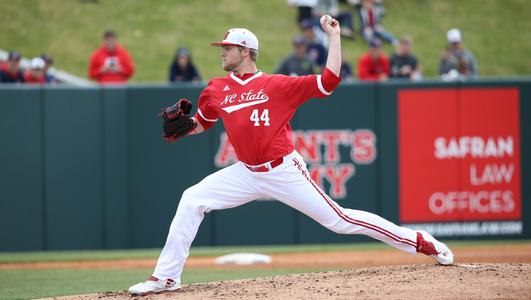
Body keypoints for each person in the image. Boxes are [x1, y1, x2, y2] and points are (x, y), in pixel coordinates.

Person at [128, 17, 453, 296]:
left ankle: (422, 242)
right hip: (245, 172)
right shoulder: (215, 89)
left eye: (228, 47)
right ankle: (167, 277)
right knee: (191, 199)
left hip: (283, 170)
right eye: (222, 47)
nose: (222, 52)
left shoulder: (278, 85)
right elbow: (203, 123)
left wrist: (335, 36)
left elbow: (329, 82)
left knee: (340, 221)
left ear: (246, 52)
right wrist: (182, 128)